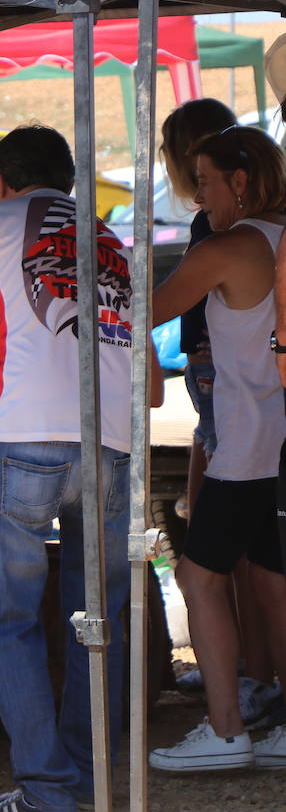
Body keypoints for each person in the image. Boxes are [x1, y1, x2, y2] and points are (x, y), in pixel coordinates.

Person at [0, 124, 161, 812]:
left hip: (24, 437)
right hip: (112, 447)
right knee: (98, 620)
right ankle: (89, 782)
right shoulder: (111, 241)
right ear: (69, 183)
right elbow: (147, 386)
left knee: (8, 619)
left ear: (0, 181)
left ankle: (47, 796)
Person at [147, 125, 286, 772]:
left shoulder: (230, 248)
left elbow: (143, 309)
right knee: (271, 581)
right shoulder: (279, 238)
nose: (199, 201)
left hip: (246, 445)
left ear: (240, 180)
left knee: (197, 577)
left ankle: (227, 728)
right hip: (274, 438)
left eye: (204, 183)